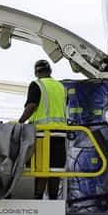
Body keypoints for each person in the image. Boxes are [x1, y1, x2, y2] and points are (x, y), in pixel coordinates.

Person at [18, 59, 67, 200]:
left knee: (42, 168)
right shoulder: (60, 87)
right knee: (55, 169)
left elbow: (32, 106)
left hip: (42, 133)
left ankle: (38, 199)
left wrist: (20, 122)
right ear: (50, 71)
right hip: (60, 133)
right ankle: (53, 200)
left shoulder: (37, 84)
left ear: (36, 72)